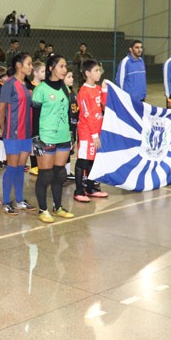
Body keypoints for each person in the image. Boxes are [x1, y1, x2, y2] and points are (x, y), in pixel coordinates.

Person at [31, 55, 74, 223]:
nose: (64, 70)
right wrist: (36, 138)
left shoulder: (65, 88)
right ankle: (43, 210)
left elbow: (69, 113)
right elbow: (34, 116)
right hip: (46, 136)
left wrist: (71, 133)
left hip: (62, 136)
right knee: (45, 175)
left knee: (60, 173)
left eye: (65, 66)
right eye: (61, 66)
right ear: (51, 68)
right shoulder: (40, 89)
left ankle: (58, 207)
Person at [0, 53, 36, 215]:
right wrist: (2, 127)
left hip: (26, 132)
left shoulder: (26, 85)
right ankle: (6, 201)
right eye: (29, 64)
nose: (31, 67)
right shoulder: (9, 84)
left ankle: (19, 200)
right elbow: (1, 107)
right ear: (19, 65)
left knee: (21, 168)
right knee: (12, 167)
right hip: (13, 132)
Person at [74, 60, 109, 199]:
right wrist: (94, 135)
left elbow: (105, 105)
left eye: (99, 70)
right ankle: (78, 191)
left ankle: (90, 188)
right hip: (87, 133)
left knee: (92, 160)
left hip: (97, 131)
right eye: (96, 71)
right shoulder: (83, 92)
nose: (99, 73)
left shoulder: (98, 89)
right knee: (83, 160)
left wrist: (105, 89)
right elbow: (86, 114)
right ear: (87, 73)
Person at [26, 60, 46, 175]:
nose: (45, 74)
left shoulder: (46, 86)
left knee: (42, 140)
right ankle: (34, 165)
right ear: (35, 73)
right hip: (33, 117)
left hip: (43, 118)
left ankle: (42, 163)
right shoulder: (29, 86)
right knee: (34, 140)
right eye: (42, 71)